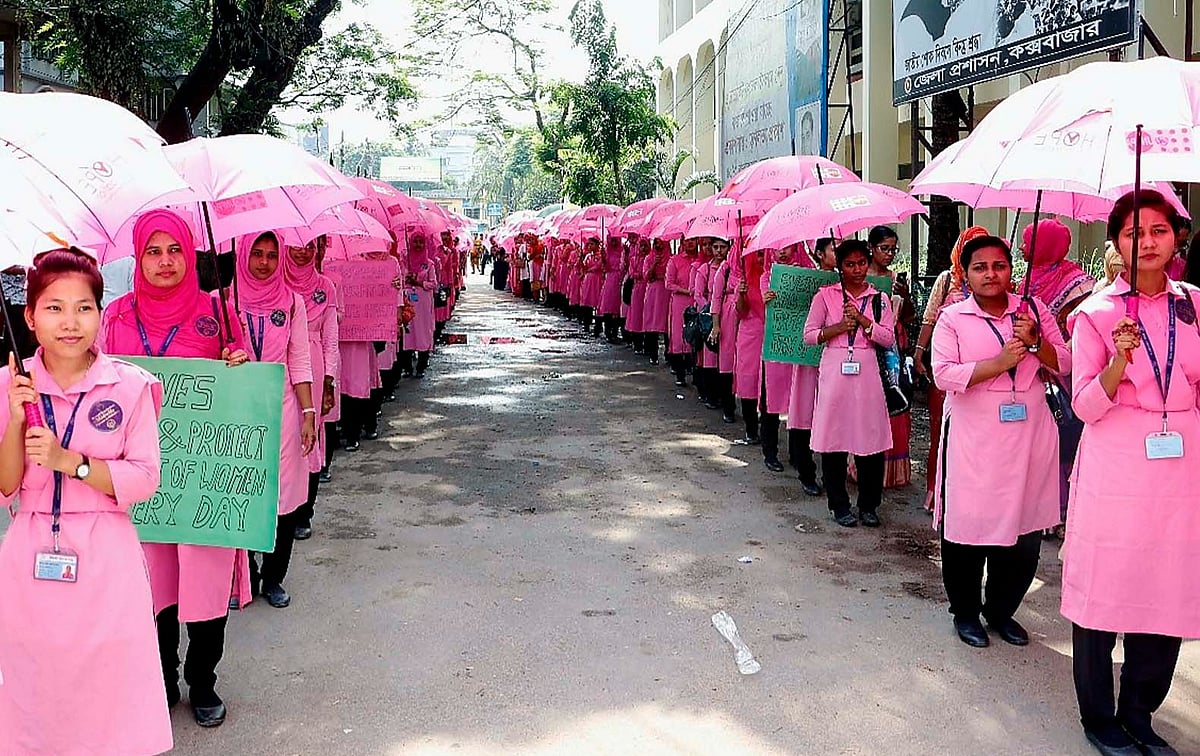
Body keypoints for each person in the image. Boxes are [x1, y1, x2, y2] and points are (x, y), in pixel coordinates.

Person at [0, 248, 172, 754]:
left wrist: (69, 461)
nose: (70, 322)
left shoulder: (130, 386)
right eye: (54, 308)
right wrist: (15, 419)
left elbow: (143, 479)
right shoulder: (11, 384)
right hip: (30, 553)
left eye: (84, 307)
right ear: (30, 317)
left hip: (107, 556)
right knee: (35, 685)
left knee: (108, 690)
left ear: (101, 312)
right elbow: (6, 486)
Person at [100, 209, 250, 728]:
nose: (165, 262)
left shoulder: (219, 313)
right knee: (152, 589)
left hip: (204, 477)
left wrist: (237, 362)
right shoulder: (116, 317)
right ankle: (162, 679)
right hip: (141, 483)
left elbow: (245, 390)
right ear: (138, 259)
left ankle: (202, 681)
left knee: (206, 587)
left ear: (191, 254)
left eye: (175, 250)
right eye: (152, 252)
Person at [1063, 190, 1200, 756]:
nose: (1147, 242)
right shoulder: (1094, 315)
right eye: (1133, 232)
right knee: (1104, 584)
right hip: (1115, 459)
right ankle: (1099, 719)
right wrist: (1119, 360)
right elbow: (1086, 408)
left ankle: (1139, 711)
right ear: (1116, 242)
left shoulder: (1194, 303)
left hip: (1180, 460)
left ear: (1177, 237)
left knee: (1167, 583)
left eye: (1159, 230)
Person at [931, 234, 1068, 650]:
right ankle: (967, 612)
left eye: (999, 265)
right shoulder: (953, 318)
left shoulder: (1035, 311)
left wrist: (1036, 343)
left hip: (1028, 433)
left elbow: (1067, 363)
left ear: (1012, 269)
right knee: (969, 527)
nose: (991, 274)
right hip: (974, 434)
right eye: (980, 267)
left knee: (1024, 530)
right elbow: (943, 374)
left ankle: (1002, 610)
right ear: (965, 275)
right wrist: (999, 363)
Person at [236, 231, 317, 609]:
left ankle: (273, 578)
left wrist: (308, 412)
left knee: (282, 498)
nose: (265, 262)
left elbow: (299, 360)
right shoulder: (224, 301)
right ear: (243, 255)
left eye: (271, 255)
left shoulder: (293, 303)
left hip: (282, 409)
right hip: (236, 412)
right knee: (240, 494)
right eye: (257, 253)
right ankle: (244, 578)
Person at [803, 240, 894, 528]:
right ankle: (839, 504)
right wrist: (840, 327)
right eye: (849, 264)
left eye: (861, 263)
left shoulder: (879, 299)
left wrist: (865, 322)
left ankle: (869, 505)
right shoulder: (825, 297)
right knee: (834, 440)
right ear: (839, 266)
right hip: (835, 371)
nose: (857, 270)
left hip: (867, 372)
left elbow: (888, 338)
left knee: (871, 439)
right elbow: (809, 335)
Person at [913, 226, 989, 512]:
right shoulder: (947, 281)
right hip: (948, 371)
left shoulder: (997, 282)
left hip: (984, 373)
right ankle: (936, 492)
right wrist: (919, 353)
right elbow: (930, 319)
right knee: (941, 433)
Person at [282, 236, 339, 541]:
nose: (303, 252)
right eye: (295, 244)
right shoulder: (274, 284)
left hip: (313, 369)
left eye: (310, 246)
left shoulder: (325, 288)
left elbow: (331, 340)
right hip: (278, 367)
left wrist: (329, 382)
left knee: (309, 439)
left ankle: (304, 512)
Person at [866, 225, 913, 489]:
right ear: (872, 248)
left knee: (897, 405)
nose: (889, 254)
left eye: (893, 249)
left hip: (894, 351)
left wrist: (903, 296)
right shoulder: (861, 277)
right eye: (884, 249)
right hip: (868, 349)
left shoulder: (896, 278)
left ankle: (894, 470)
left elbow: (909, 317)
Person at [706, 237, 739, 424]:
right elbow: (716, 299)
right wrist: (716, 326)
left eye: (723, 246)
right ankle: (728, 407)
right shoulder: (724, 270)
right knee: (726, 365)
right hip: (727, 320)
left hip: (748, 320)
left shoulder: (752, 269)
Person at [402, 232, 437, 379]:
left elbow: (434, 284)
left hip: (423, 303)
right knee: (408, 333)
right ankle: (408, 368)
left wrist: (420, 283)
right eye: (414, 241)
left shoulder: (429, 264)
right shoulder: (404, 262)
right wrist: (407, 279)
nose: (417, 245)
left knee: (423, 333)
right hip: (408, 301)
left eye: (420, 242)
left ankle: (421, 366)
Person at [666, 238, 699, 386]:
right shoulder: (675, 260)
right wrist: (687, 291)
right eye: (688, 241)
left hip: (696, 302)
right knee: (679, 336)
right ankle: (680, 373)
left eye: (694, 240)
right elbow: (669, 284)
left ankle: (695, 373)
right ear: (682, 242)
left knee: (696, 335)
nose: (691, 243)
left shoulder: (702, 259)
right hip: (680, 302)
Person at [642, 239, 670, 365]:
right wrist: (654, 264)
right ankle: (653, 354)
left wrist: (662, 276)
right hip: (653, 293)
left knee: (666, 324)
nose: (658, 245)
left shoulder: (670, 259)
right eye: (656, 243)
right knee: (652, 322)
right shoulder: (649, 258)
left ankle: (669, 354)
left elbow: (671, 276)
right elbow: (646, 276)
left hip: (666, 293)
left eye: (660, 243)